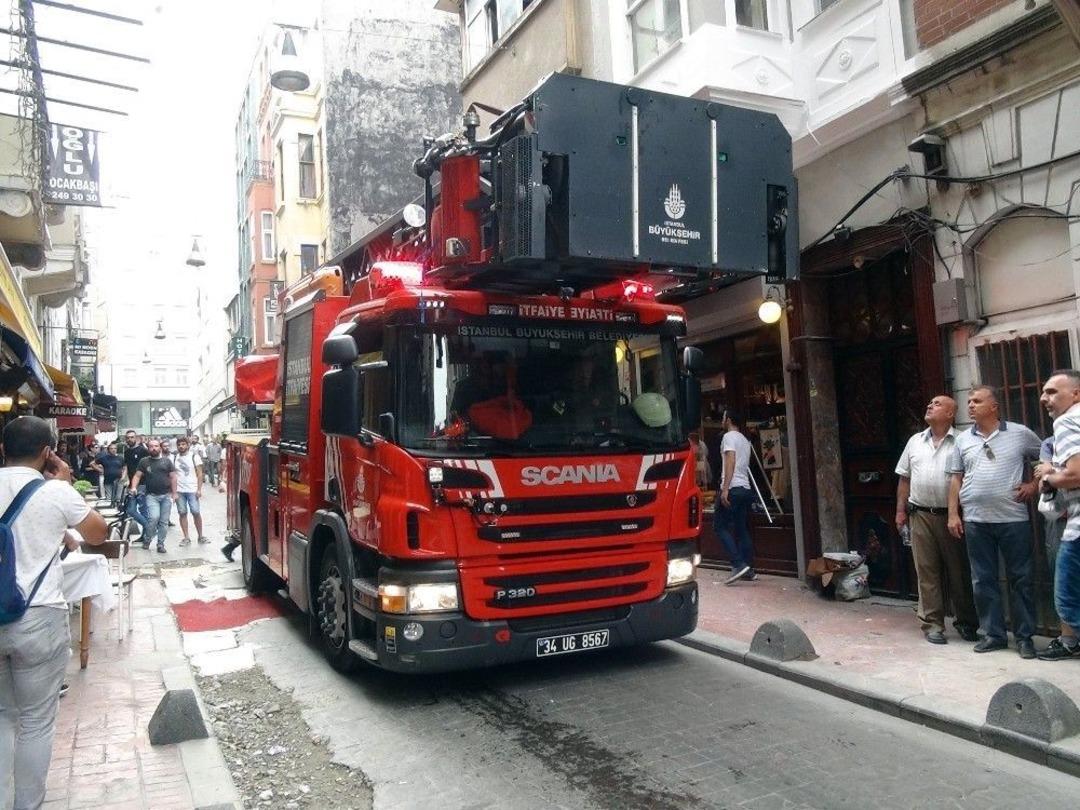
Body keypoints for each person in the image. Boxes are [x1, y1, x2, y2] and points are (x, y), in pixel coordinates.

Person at [0, 416, 107, 809]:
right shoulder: (55, 492)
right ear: (48, 453)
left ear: (2, 450)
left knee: (3, 715)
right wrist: (62, 483)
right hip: (39, 616)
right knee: (35, 721)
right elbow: (97, 534)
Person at [947, 385, 1041, 658]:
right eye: (969, 401)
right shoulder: (963, 440)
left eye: (977, 401)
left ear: (994, 406)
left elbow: (1046, 456)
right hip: (976, 520)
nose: (971, 405)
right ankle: (994, 634)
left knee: (1021, 578)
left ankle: (1025, 637)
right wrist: (954, 513)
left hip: (1013, 518)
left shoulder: (1020, 434)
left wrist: (1033, 484)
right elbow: (955, 478)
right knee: (983, 579)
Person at [895, 395, 978, 644]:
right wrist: (900, 511)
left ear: (951, 413)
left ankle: (966, 622)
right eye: (929, 403)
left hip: (952, 516)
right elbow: (904, 479)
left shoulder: (963, 441)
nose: (930, 405)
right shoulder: (915, 441)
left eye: (937, 404)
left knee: (959, 571)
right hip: (920, 514)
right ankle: (932, 624)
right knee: (927, 572)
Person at [1034, 370, 1080, 661]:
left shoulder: (1067, 421)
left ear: (1075, 394)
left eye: (1052, 392)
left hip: (1077, 527)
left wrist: (1049, 479)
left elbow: (1076, 474)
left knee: (1066, 598)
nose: (1044, 398)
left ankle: (1069, 642)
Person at [715, 410, 756, 585]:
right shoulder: (744, 440)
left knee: (719, 527)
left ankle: (738, 564)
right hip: (745, 488)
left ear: (729, 420)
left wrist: (725, 489)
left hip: (733, 487)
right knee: (741, 528)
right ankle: (748, 569)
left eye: (723, 418)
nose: (721, 421)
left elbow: (730, 461)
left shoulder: (729, 437)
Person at [129, 439, 177, 553]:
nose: (154, 448)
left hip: (165, 496)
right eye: (151, 446)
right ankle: (147, 539)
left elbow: (173, 477)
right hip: (151, 496)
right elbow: (137, 476)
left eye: (156, 446)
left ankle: (160, 544)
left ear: (159, 448)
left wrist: (175, 493)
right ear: (148, 448)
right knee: (154, 518)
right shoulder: (144, 461)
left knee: (164, 522)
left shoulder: (167, 461)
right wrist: (133, 487)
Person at [172, 436, 207, 547]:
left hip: (192, 490)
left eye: (183, 444)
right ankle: (186, 537)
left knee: (196, 512)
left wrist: (199, 489)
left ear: (187, 445)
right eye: (179, 444)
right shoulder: (174, 458)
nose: (181, 446)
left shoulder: (194, 456)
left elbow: (200, 473)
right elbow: (172, 475)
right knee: (182, 513)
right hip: (180, 490)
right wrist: (173, 492)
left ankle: (200, 536)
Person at [97, 443, 126, 507]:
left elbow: (125, 467)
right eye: (111, 448)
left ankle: (118, 511)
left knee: (119, 498)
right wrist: (99, 470)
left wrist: (123, 476)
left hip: (119, 480)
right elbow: (92, 463)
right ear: (108, 450)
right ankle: (110, 512)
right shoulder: (104, 458)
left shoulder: (120, 458)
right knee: (109, 499)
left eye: (115, 448)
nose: (113, 450)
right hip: (108, 480)